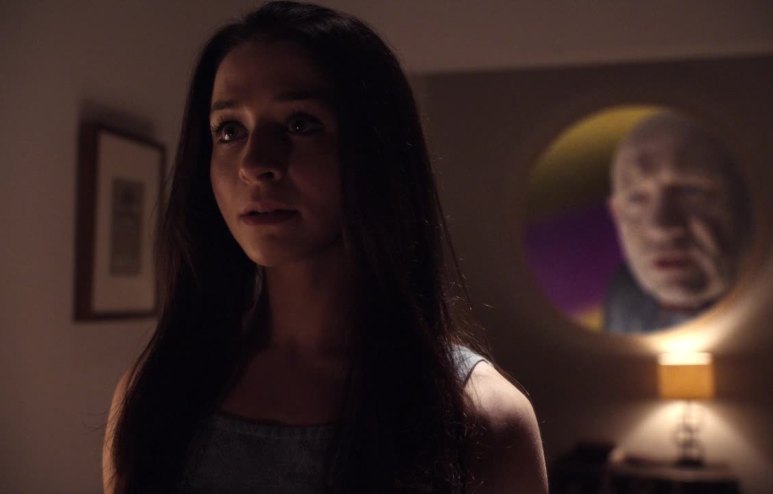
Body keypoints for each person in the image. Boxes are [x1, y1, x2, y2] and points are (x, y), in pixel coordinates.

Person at [102, 2, 547, 492]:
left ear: (375, 150)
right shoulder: (157, 393)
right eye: (230, 130)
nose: (254, 163)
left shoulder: (478, 419)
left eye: (300, 124)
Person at [604, 111, 750, 334]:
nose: (660, 228)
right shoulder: (624, 295)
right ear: (617, 215)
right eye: (636, 199)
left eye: (691, 191)